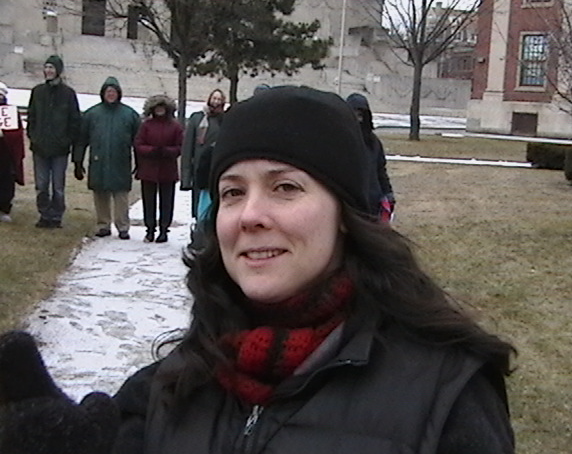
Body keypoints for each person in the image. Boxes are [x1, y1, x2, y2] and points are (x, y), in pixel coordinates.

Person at [0, 87, 515, 454]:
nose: (250, 215)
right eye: (232, 192)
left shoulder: (446, 396)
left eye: (285, 187)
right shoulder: (174, 383)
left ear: (345, 215)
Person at [73, 77, 141, 239]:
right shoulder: (92, 114)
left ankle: (123, 226)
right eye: (108, 92)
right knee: (100, 193)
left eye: (113, 92)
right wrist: (78, 161)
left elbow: (138, 142)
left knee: (121, 195)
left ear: (119, 94)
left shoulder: (130, 115)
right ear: (103, 93)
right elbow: (81, 140)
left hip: (121, 161)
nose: (110, 94)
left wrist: (140, 163)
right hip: (99, 160)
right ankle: (103, 224)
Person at [26, 54, 81, 228]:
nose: (48, 71)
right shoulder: (37, 92)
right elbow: (32, 116)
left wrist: (66, 140)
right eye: (46, 67)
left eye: (52, 68)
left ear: (58, 70)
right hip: (40, 147)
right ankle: (44, 214)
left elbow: (74, 120)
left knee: (58, 185)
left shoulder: (68, 94)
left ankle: (56, 216)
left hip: (60, 148)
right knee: (41, 185)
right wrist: (33, 136)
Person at [134, 95, 183, 243]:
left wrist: (167, 151)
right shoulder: (146, 125)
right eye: (157, 108)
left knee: (166, 202)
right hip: (148, 170)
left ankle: (163, 229)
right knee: (148, 201)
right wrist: (151, 150)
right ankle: (149, 229)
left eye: (163, 107)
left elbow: (180, 146)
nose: (160, 110)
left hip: (168, 170)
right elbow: (138, 144)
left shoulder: (175, 126)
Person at [346, 92, 395, 222]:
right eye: (355, 114)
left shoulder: (373, 142)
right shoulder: (342, 140)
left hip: (373, 203)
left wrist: (388, 194)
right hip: (350, 203)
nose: (358, 119)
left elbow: (380, 171)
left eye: (361, 114)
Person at [180, 89, 225, 218]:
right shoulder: (197, 118)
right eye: (214, 98)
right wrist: (186, 177)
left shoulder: (224, 119)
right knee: (198, 202)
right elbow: (188, 147)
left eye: (219, 99)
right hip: (199, 168)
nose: (216, 101)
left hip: (216, 165)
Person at [0, 82, 25, 222]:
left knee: (6, 181)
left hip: (6, 153)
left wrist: (5, 134)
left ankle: (4, 208)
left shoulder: (10, 112)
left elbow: (17, 133)